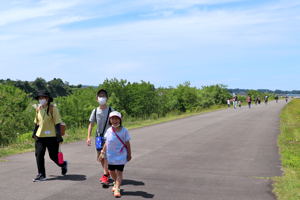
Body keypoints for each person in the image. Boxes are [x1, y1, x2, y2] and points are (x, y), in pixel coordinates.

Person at [32, 91, 68, 182]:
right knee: (39, 155)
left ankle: (63, 164)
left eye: (43, 98)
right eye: (40, 98)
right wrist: (34, 133)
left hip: (52, 137)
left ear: (47, 99)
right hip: (40, 137)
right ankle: (41, 174)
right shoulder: (38, 109)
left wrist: (58, 136)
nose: (41, 100)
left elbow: (57, 123)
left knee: (53, 156)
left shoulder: (53, 109)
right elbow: (37, 123)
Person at [100, 111, 132, 198]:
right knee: (111, 171)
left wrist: (129, 154)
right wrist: (102, 152)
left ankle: (117, 188)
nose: (115, 120)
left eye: (117, 118)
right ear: (110, 120)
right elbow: (106, 142)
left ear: (120, 120)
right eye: (112, 118)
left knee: (119, 173)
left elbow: (127, 143)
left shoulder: (124, 130)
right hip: (110, 156)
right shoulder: (109, 130)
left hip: (121, 156)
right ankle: (115, 182)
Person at [87, 89, 113, 185]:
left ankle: (105, 175)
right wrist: (88, 137)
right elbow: (91, 124)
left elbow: (116, 123)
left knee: (105, 155)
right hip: (98, 137)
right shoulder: (95, 111)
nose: (102, 98)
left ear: (107, 98)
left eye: (104, 96)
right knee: (100, 157)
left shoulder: (111, 110)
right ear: (97, 99)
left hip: (108, 137)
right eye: (100, 96)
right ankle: (108, 172)